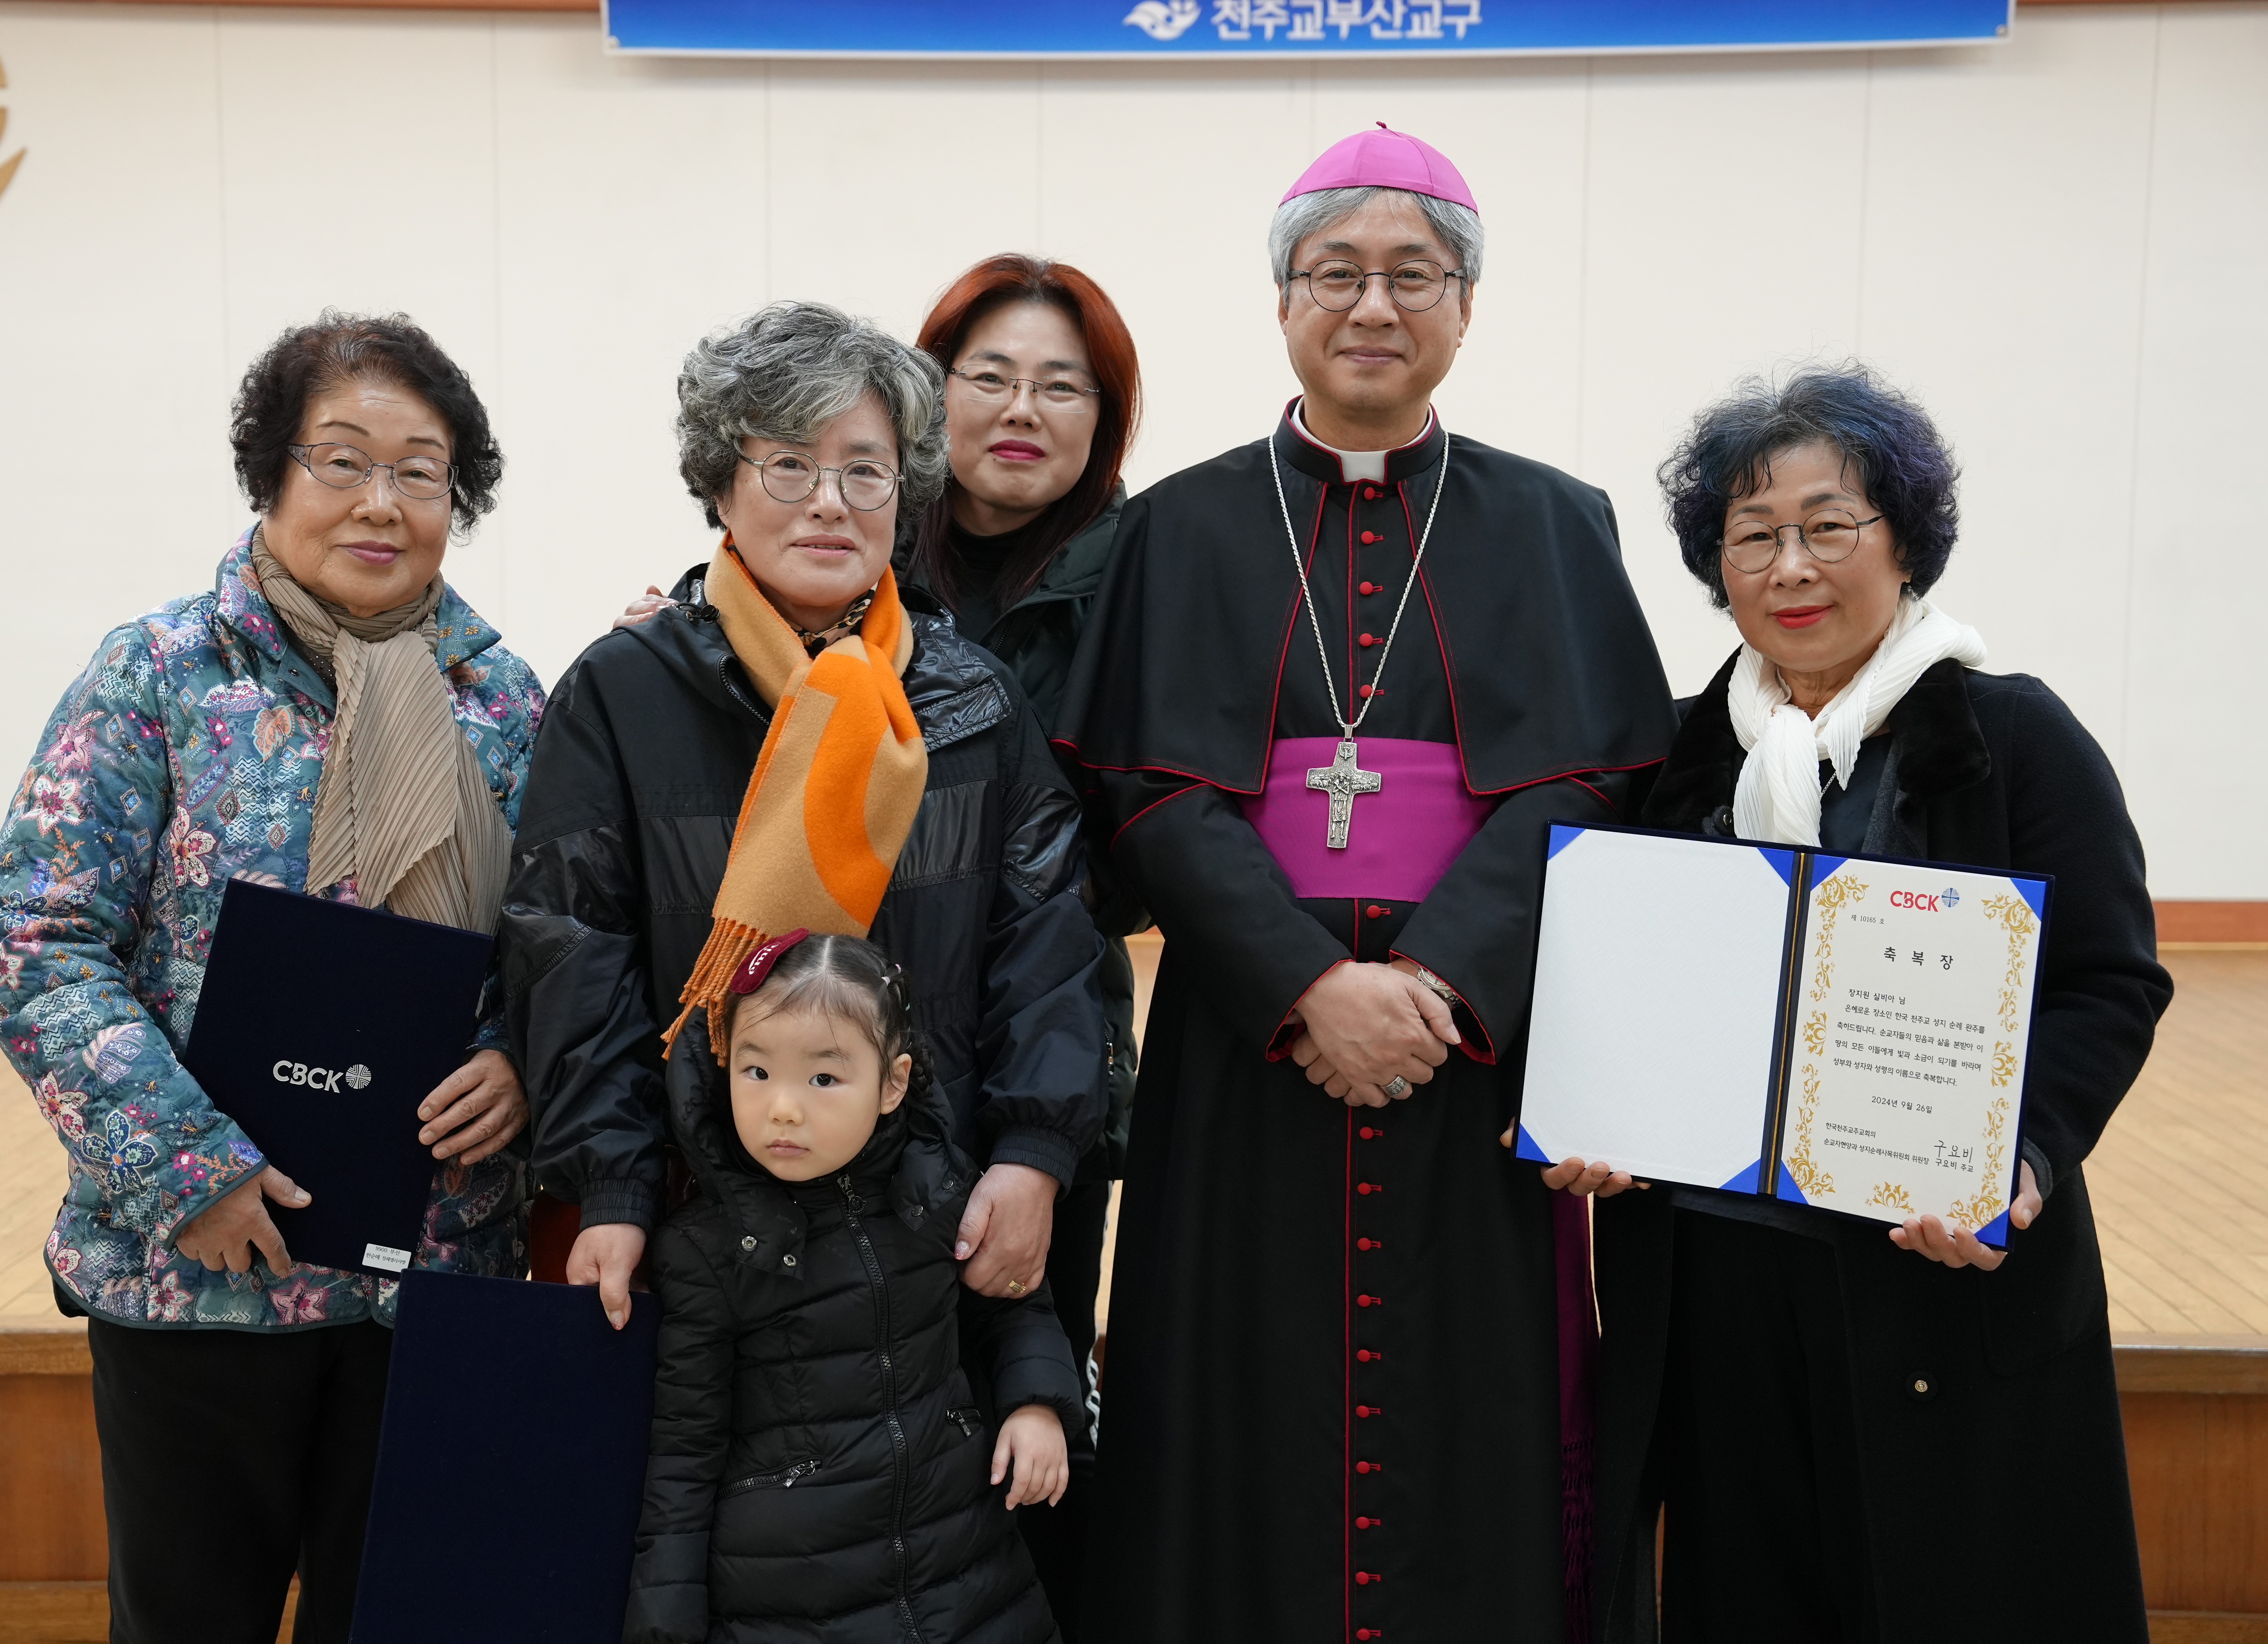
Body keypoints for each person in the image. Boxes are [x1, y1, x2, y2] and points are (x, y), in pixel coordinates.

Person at [1051, 125, 1677, 1641]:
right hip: (1247, 1049)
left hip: (1470, 1058)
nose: (1375, 305)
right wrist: (1307, 987)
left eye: (1416, 273)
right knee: (1233, 1387)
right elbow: (1149, 790)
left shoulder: (1554, 520)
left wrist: (1437, 984)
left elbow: (1590, 782)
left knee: (1476, 1396)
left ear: (1467, 307)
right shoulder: (1180, 525)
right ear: (1283, 303)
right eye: (1338, 272)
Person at [0, 312, 544, 1644]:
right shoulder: (158, 672)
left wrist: (518, 1055)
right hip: (199, 1278)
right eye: (340, 460)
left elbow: (562, 943)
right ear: (270, 476)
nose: (380, 501)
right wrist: (192, 1168)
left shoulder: (505, 697)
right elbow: (38, 940)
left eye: (421, 470)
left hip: (431, 1271)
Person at [1582, 366, 2173, 1642]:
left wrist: (2019, 1156)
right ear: (1717, 567)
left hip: (1937, 1275)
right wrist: (1596, 1116)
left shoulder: (2011, 739)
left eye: (1825, 525)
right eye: (1751, 536)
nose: (1789, 564)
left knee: (1959, 1594)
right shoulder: (1679, 758)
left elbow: (2106, 983)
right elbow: (1620, 996)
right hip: (1722, 1287)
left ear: (1902, 543)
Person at [502, 301, 1107, 1342]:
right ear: (723, 488)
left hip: (924, 1225)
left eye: (864, 471)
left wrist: (1032, 1156)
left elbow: (1046, 945)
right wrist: (614, 1185)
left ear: (904, 493)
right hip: (696, 1227)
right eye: (789, 464)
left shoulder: (973, 704)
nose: (829, 503)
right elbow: (569, 951)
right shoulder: (624, 692)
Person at [626, 931, 1083, 1644]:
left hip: (966, 1567)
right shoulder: (704, 1249)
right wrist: (666, 1622)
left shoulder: (939, 1189)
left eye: (823, 1078)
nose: (783, 1108)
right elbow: (684, 1452)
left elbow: (1015, 1301)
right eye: (756, 1071)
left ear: (893, 1082)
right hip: (791, 1600)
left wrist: (1036, 1403)